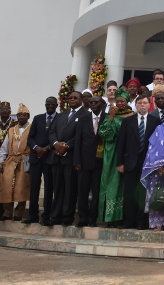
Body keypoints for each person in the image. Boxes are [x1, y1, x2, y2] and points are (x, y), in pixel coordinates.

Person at [116, 96, 161, 229]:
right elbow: (121, 142)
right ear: (135, 105)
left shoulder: (155, 121)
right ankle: (128, 222)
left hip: (148, 163)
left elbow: (158, 143)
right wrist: (120, 163)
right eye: (139, 103)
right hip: (130, 162)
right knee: (129, 193)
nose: (142, 105)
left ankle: (141, 222)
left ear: (149, 105)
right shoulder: (127, 121)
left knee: (143, 194)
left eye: (145, 103)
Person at [97, 89, 134, 226]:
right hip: (111, 154)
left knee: (123, 186)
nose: (120, 103)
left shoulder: (132, 116)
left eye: (122, 101)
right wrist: (111, 118)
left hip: (125, 153)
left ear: (127, 102)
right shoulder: (110, 115)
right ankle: (108, 218)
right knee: (109, 184)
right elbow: (104, 133)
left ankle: (120, 217)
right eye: (117, 101)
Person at [48, 91, 84, 226]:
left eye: (75, 98)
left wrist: (67, 146)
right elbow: (51, 131)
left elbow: (81, 135)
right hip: (56, 157)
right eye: (70, 98)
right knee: (57, 188)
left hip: (71, 157)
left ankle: (66, 217)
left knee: (70, 189)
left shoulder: (85, 115)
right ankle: (55, 216)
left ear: (81, 100)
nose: (72, 100)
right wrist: (56, 144)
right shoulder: (61, 115)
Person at [73, 95, 107, 228]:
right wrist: (77, 161)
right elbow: (78, 140)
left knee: (97, 192)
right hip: (84, 162)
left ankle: (93, 218)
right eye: (91, 102)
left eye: (96, 102)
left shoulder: (107, 118)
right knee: (82, 191)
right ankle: (83, 218)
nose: (93, 104)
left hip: (100, 162)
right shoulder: (83, 118)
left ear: (102, 104)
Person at [23, 96, 57, 225]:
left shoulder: (60, 119)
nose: (50, 106)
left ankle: (46, 216)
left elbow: (59, 137)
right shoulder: (38, 119)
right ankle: (32, 215)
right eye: (48, 104)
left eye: (52, 104)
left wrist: (48, 148)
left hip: (50, 158)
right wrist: (37, 148)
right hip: (36, 157)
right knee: (34, 187)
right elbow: (30, 138)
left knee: (49, 188)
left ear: (56, 105)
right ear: (45, 105)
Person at [0, 103, 31, 221]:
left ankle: (19, 213)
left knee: (22, 186)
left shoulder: (32, 128)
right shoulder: (11, 130)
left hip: (25, 159)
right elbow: (4, 148)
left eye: (24, 115)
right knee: (7, 185)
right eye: (19, 115)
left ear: (28, 116)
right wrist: (1, 163)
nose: (21, 117)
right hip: (11, 160)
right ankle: (7, 212)